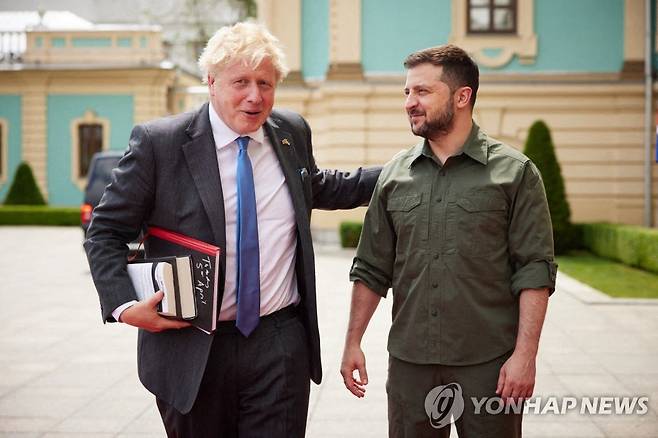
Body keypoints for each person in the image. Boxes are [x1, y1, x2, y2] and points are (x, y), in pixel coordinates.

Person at [84, 21, 380, 438]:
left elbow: (318, 186)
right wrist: (123, 306)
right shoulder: (159, 143)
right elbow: (105, 231)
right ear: (211, 82)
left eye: (266, 83)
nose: (255, 96)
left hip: (279, 342)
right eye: (240, 81)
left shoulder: (291, 131)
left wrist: (402, 171)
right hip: (191, 345)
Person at [340, 44, 557, 438]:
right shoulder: (394, 175)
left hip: (488, 364)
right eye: (406, 92)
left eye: (422, 92)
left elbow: (534, 271)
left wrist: (525, 356)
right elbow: (371, 267)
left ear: (462, 97)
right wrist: (352, 341)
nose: (409, 102)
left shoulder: (515, 173)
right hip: (410, 365)